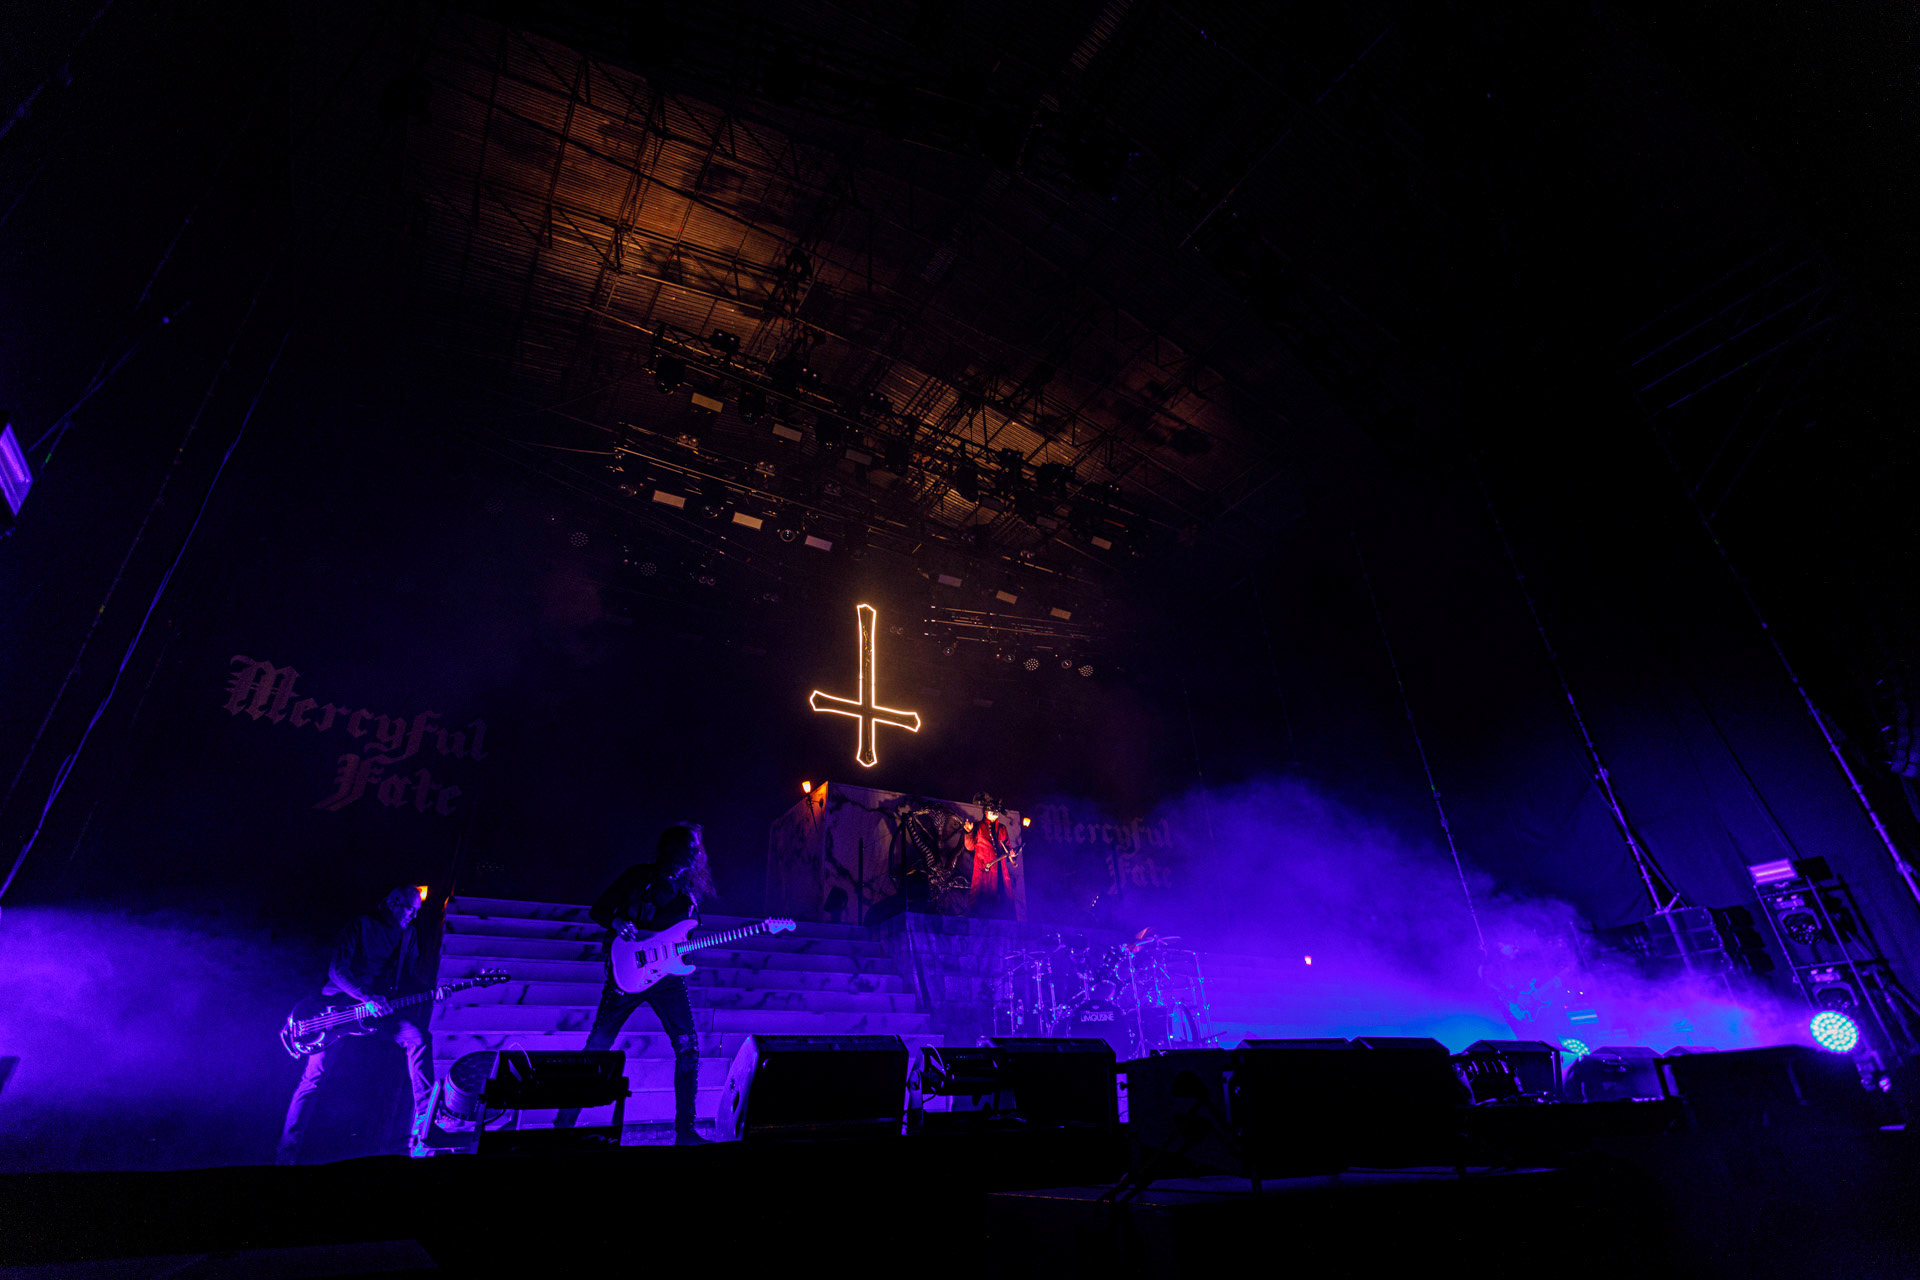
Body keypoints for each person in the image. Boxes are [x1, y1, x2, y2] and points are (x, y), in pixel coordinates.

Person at [557, 822, 714, 1144]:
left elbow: (683, 937)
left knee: (688, 1048)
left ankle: (685, 1132)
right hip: (626, 970)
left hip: (667, 978)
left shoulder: (689, 893)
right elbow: (598, 910)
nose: (697, 852)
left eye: (697, 847)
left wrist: (687, 952)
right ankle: (563, 1125)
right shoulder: (638, 876)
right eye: (691, 846)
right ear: (673, 848)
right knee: (598, 1046)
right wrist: (617, 921)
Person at [277, 884, 435, 1164]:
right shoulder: (361, 925)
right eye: (411, 909)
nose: (413, 916)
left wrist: (436, 991)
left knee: (419, 1038)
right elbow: (337, 970)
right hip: (335, 1009)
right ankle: (286, 1155)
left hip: (377, 1011)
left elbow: (410, 976)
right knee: (313, 1078)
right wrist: (365, 996)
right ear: (393, 903)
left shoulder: (409, 934)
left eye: (416, 911)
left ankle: (424, 1131)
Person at [963, 794, 1018, 919]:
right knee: (982, 899)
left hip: (1000, 870)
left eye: (996, 812)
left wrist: (1011, 853)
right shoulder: (978, 827)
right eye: (992, 812)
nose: (995, 815)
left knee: (1003, 897)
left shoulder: (1002, 828)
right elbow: (970, 846)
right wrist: (968, 832)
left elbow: (1007, 846)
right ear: (986, 812)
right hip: (984, 869)